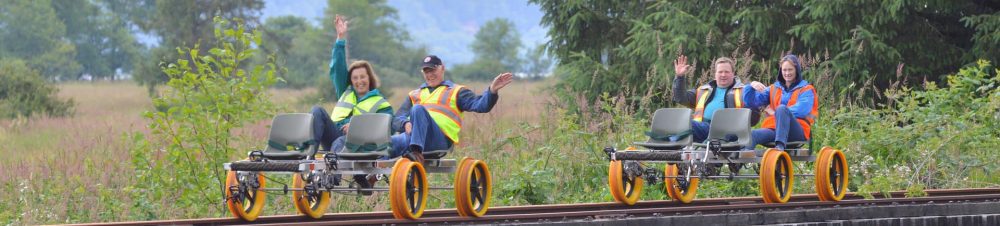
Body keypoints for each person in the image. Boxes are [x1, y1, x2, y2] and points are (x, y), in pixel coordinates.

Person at [309, 15, 393, 190]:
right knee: (317, 110)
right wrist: (340, 39)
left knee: (340, 143)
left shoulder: (380, 102)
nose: (359, 81)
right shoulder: (346, 91)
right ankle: (308, 158)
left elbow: (386, 129)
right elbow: (337, 68)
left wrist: (356, 128)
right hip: (337, 136)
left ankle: (334, 175)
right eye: (355, 78)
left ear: (369, 78)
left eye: (362, 77)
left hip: (361, 144)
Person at [389, 55, 514, 163]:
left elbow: (480, 105)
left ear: (442, 68)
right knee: (381, 146)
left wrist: (492, 90)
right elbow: (396, 120)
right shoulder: (414, 94)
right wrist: (405, 123)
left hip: (438, 140)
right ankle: (371, 177)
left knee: (417, 109)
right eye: (426, 71)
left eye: (433, 70)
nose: (430, 75)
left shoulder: (457, 91)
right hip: (411, 138)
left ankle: (415, 153)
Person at [672, 54, 760, 144]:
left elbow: (753, 120)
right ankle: (668, 150)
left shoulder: (744, 91)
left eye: (727, 72)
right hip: (702, 128)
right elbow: (680, 98)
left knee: (687, 125)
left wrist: (753, 93)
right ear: (715, 74)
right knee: (678, 122)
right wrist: (679, 77)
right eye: (720, 72)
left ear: (733, 74)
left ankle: (670, 149)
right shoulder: (703, 90)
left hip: (727, 131)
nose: (723, 75)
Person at [742, 54, 818, 151]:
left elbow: (801, 111)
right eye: (784, 70)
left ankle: (779, 148)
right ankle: (739, 163)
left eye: (790, 70)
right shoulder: (773, 88)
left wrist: (776, 113)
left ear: (797, 70)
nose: (787, 73)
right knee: (753, 135)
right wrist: (751, 86)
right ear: (781, 71)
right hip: (775, 129)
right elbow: (751, 102)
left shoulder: (807, 90)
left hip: (797, 131)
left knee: (781, 108)